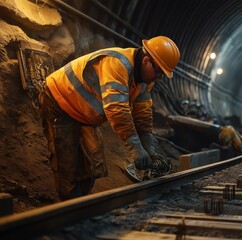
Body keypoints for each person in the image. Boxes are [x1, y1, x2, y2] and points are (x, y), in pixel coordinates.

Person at [38, 36, 180, 200]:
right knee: (68, 166)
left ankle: (82, 203)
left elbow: (142, 115)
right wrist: (136, 149)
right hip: (59, 101)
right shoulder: (117, 64)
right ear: (147, 61)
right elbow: (117, 109)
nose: (159, 77)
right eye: (159, 72)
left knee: (93, 164)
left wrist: (148, 144)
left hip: (82, 114)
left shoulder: (145, 81)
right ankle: (70, 208)